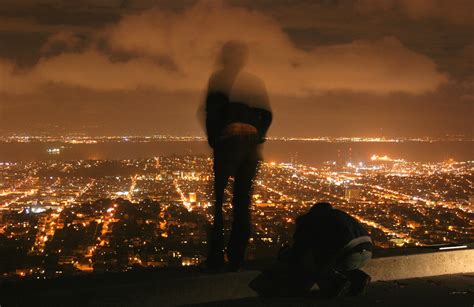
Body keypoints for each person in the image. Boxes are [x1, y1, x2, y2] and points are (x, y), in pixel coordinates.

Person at [204, 41, 272, 272]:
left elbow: (211, 113)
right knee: (242, 203)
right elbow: (267, 115)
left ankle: (216, 257)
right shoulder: (254, 82)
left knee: (219, 202)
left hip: (227, 143)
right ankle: (237, 257)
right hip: (251, 148)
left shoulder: (219, 80)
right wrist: (257, 136)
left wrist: (216, 139)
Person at [267, 202, 373, 297]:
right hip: (367, 250)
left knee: (312, 260)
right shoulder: (339, 215)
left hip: (346, 251)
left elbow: (300, 248)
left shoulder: (309, 222)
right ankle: (359, 278)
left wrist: (289, 255)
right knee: (336, 259)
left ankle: (334, 283)